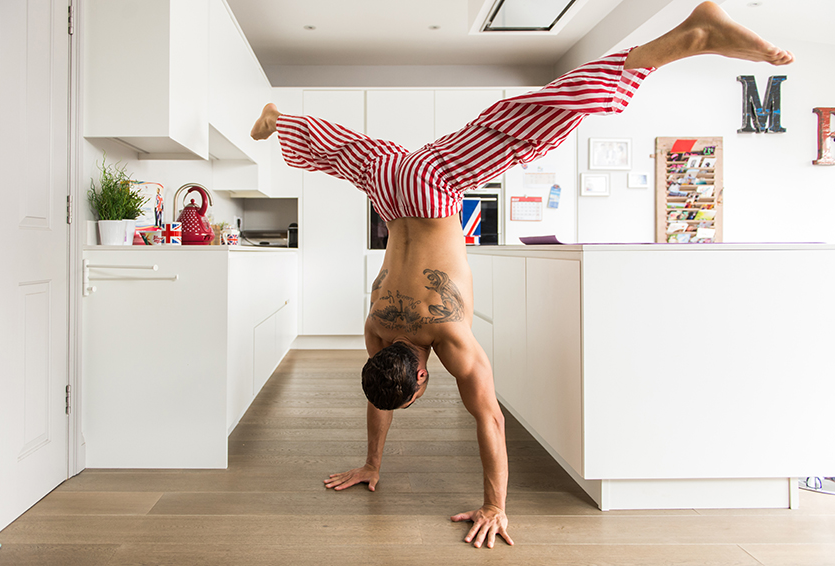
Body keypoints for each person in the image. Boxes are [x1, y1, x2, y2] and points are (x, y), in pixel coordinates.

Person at [250, 2, 792, 549]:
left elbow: (491, 420)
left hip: (429, 187)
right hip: (388, 188)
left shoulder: (449, 336)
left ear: (420, 378)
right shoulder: (377, 330)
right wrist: (370, 463)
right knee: (349, 153)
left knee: (528, 126)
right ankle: (286, 123)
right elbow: (379, 393)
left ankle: (691, 36)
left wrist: (495, 506)